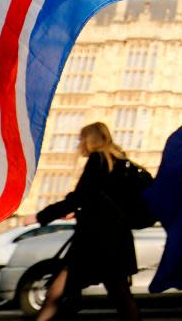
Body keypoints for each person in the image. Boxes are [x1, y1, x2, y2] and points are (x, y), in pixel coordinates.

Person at [30, 122, 140, 321]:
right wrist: (81, 212)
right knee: (121, 296)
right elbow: (100, 202)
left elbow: (79, 197)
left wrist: (40, 216)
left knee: (57, 292)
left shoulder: (98, 160)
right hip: (116, 240)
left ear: (90, 139)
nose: (78, 144)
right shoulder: (121, 162)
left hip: (95, 243)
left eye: (81, 139)